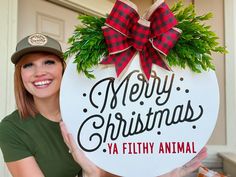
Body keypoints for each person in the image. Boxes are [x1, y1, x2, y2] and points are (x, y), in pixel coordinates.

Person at [0, 33, 207, 177]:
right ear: (20, 74)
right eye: (28, 65)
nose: (39, 72)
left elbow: (117, 170)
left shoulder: (92, 112)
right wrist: (93, 173)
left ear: (63, 69)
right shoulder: (12, 129)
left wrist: (159, 174)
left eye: (49, 62)